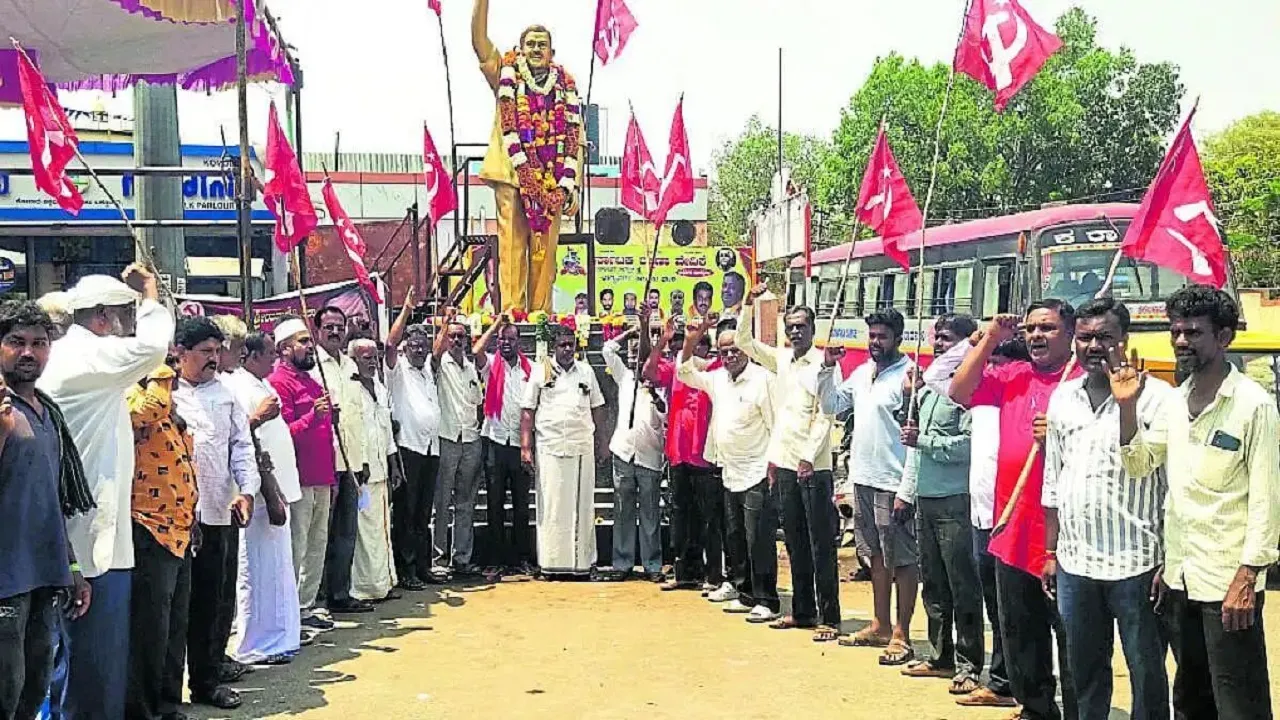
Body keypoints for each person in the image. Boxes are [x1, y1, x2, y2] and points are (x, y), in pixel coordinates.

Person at [1120, 285, 1280, 720]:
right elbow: (1138, 463)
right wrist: (1127, 408)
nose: (1181, 341)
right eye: (1176, 332)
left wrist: (1248, 578)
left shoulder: (1253, 406)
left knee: (1239, 702)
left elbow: (1267, 499)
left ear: (1224, 338)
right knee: (1191, 698)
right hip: (1180, 580)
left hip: (1228, 583)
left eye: (1193, 332)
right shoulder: (1174, 402)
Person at [39, 265, 172, 720]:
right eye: (123, 317)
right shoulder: (86, 358)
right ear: (101, 317)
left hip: (87, 526)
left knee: (80, 660)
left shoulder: (76, 358)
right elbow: (155, 346)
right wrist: (152, 293)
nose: (126, 328)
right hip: (89, 535)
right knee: (91, 663)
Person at [1042, 298, 1173, 720]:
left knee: (1146, 673)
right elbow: (1053, 481)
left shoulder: (1157, 398)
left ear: (1124, 340)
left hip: (1138, 564)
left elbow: (1171, 484)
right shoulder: (1062, 398)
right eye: (1085, 337)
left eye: (1104, 337)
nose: (1093, 346)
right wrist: (1050, 553)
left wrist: (1170, 558)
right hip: (1075, 563)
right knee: (1083, 673)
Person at [950, 300, 1081, 720]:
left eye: (1048, 328)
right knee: (1022, 633)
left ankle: (1080, 710)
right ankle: (1037, 709)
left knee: (1073, 637)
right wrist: (990, 337)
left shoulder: (1082, 381)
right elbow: (958, 390)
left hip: (1066, 538)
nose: (1037, 335)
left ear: (1072, 332)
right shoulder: (1012, 376)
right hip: (1012, 530)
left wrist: (1061, 430)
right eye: (1030, 329)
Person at [0, 302, 92, 720]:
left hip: (43, 575)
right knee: (6, 687)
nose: (28, 353)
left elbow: (51, 498)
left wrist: (72, 568)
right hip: (5, 581)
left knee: (34, 686)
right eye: (16, 342)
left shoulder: (47, 413)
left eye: (38, 343)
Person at [735, 284, 840, 641]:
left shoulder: (825, 364)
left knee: (820, 543)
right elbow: (744, 343)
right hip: (783, 463)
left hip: (813, 465)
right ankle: (803, 611)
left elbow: (826, 416)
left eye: (801, 326)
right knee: (794, 540)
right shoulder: (781, 359)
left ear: (813, 329)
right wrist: (749, 304)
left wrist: (808, 458)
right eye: (790, 326)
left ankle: (830, 617)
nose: (795, 331)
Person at [170, 317, 259, 710]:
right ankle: (166, 693)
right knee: (175, 608)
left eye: (216, 351)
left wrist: (246, 491)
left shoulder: (225, 395)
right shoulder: (163, 393)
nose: (213, 358)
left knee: (213, 603)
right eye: (204, 351)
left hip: (217, 511)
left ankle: (207, 683)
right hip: (171, 517)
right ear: (180, 353)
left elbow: (241, 447)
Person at [818, 308, 917, 659]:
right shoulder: (861, 374)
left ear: (898, 338)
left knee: (902, 561)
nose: (875, 342)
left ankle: (902, 633)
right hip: (862, 477)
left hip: (894, 481)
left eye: (882, 336)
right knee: (874, 556)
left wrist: (908, 488)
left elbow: (913, 437)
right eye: (871, 336)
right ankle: (880, 624)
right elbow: (831, 403)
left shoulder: (911, 376)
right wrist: (828, 367)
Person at [471, 0, 583, 312]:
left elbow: (577, 141)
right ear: (520, 50)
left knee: (546, 252)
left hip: (554, 181)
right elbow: (480, 43)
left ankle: (540, 316)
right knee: (512, 245)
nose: (536, 49)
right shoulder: (505, 74)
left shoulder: (566, 90)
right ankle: (512, 312)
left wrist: (572, 186)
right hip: (511, 173)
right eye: (530, 44)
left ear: (552, 53)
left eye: (542, 45)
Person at [895, 314, 983, 691]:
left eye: (946, 340)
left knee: (961, 585)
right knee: (933, 584)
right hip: (926, 500)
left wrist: (925, 442)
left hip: (955, 501)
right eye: (936, 340)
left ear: (966, 344)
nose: (938, 346)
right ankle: (940, 655)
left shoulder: (970, 390)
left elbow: (969, 446)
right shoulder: (928, 387)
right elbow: (910, 438)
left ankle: (968, 664)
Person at [679, 313, 780, 623]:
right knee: (734, 536)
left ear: (745, 350)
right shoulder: (716, 378)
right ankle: (745, 592)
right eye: (724, 351)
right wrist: (692, 338)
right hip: (729, 470)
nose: (730, 356)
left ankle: (767, 599)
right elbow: (684, 371)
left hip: (757, 471)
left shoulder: (764, 380)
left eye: (735, 349)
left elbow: (775, 425)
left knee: (758, 539)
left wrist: (773, 466)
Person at [224, 330, 304, 666]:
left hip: (277, 486)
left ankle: (280, 637)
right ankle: (256, 643)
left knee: (278, 565)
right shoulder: (238, 386)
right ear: (250, 355)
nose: (276, 359)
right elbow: (242, 437)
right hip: (257, 492)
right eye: (270, 353)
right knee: (255, 568)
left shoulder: (263, 383)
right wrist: (259, 416)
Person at [956, 338, 1027, 710]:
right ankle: (1003, 681)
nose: (990, 368)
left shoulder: (1017, 395)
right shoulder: (982, 396)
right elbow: (942, 377)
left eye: (997, 361)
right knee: (996, 607)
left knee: (1014, 610)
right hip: (982, 515)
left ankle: (1010, 682)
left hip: (1012, 516)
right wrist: (983, 342)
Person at [644, 312, 724, 596]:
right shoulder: (678, 368)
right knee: (680, 516)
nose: (696, 348)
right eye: (693, 344)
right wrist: (662, 341)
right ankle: (684, 572)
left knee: (709, 519)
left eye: (702, 344)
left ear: (709, 349)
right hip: (679, 453)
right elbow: (649, 373)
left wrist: (701, 330)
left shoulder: (716, 370)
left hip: (705, 456)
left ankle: (712, 575)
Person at [268, 318, 338, 633]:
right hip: (299, 479)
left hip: (322, 475)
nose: (310, 347)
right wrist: (313, 416)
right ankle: (290, 607)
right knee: (297, 544)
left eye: (310, 341)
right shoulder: (279, 383)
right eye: (303, 342)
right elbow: (281, 434)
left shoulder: (313, 380)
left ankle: (306, 605)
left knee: (317, 543)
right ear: (284, 349)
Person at [520, 324, 606, 577]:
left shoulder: (586, 372)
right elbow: (527, 410)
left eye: (571, 345)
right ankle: (550, 564)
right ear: (554, 347)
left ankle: (581, 564)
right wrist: (526, 447)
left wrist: (603, 441)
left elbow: (598, 408)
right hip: (549, 447)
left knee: (582, 506)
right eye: (562, 345)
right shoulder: (540, 371)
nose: (567, 349)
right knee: (551, 507)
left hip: (581, 447)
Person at [312, 305, 372, 614]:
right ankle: (317, 599)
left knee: (347, 531)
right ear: (318, 331)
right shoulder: (313, 367)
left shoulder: (350, 364)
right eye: (329, 327)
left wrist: (362, 463)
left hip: (352, 462)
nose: (334, 332)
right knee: (322, 534)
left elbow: (357, 415)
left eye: (339, 326)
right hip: (326, 463)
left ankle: (340, 593)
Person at [384, 289, 441, 590]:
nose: (419, 351)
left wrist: (445, 326)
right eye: (414, 346)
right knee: (405, 512)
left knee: (423, 511)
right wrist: (406, 309)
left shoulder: (428, 369)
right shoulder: (397, 370)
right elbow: (390, 343)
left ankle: (423, 565)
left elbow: (440, 349)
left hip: (431, 448)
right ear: (407, 348)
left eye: (423, 346)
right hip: (408, 448)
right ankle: (405, 570)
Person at [602, 326, 667, 581]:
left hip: (649, 457)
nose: (638, 358)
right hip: (623, 453)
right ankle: (622, 562)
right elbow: (608, 349)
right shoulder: (626, 378)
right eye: (634, 353)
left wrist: (653, 393)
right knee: (622, 509)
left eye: (643, 354)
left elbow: (665, 416)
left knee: (650, 513)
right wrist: (630, 332)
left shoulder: (661, 383)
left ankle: (652, 565)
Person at [474, 314, 535, 575]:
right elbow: (475, 349)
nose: (506, 343)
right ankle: (496, 560)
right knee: (495, 504)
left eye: (511, 339)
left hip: (520, 443)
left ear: (519, 342)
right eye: (502, 339)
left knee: (521, 505)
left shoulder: (530, 369)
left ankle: (521, 558)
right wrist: (496, 324)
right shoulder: (490, 364)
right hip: (496, 441)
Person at [432, 308, 485, 577]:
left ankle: (462, 558)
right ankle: (439, 559)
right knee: (442, 501)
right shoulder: (441, 364)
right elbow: (435, 349)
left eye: (460, 337)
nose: (456, 341)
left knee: (466, 502)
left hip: (471, 439)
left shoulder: (471, 367)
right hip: (448, 438)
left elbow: (478, 404)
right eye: (452, 336)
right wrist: (445, 323)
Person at [349, 338, 401, 602]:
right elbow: (354, 431)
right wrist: (362, 463)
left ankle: (384, 582)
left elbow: (386, 431)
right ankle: (365, 588)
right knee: (365, 531)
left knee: (382, 528)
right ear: (354, 360)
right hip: (363, 473)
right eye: (365, 357)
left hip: (382, 471)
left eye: (374, 357)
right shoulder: (351, 389)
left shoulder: (379, 388)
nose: (371, 361)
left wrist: (394, 463)